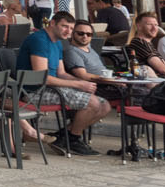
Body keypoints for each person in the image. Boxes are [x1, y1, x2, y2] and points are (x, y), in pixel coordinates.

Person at [21, 10, 112, 154]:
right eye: (64, 26)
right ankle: (72, 139)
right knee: (93, 103)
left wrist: (82, 82)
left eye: (70, 28)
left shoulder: (57, 42)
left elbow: (61, 73)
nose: (68, 31)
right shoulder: (39, 40)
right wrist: (79, 84)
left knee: (105, 106)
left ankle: (63, 137)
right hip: (33, 91)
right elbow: (43, 78)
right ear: (52, 23)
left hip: (52, 88)